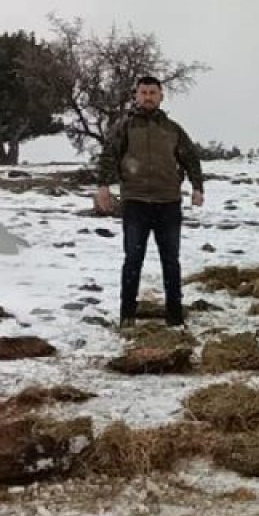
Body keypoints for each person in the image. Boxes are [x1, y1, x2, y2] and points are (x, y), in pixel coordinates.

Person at [95, 76, 204, 328]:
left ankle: (175, 317)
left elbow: (190, 158)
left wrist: (197, 187)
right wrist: (103, 186)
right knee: (133, 259)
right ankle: (127, 316)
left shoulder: (172, 129)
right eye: (143, 92)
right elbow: (109, 156)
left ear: (161, 96)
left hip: (168, 203)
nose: (147, 97)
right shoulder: (124, 127)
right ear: (136, 96)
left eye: (152, 92)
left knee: (171, 260)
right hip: (135, 202)